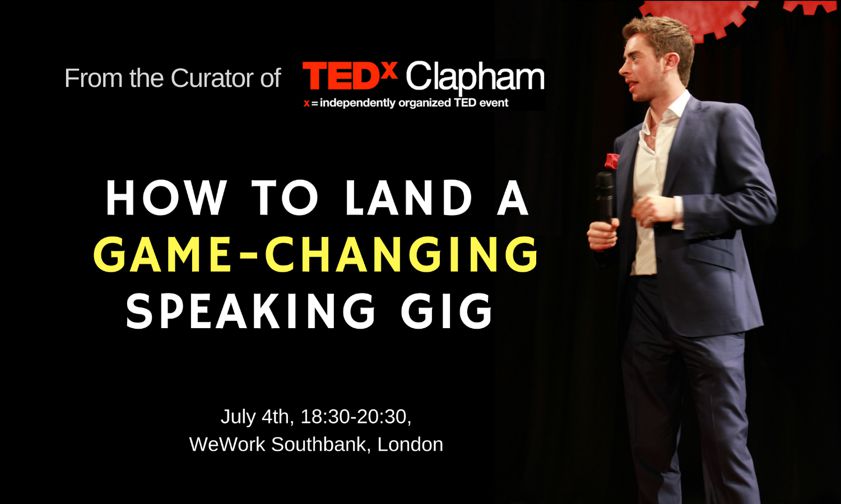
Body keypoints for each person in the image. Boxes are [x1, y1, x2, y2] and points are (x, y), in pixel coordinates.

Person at [586, 16, 777, 503]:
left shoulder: (723, 118)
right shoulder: (625, 142)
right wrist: (607, 241)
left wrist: (681, 209)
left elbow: (760, 202)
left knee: (724, 446)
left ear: (669, 61)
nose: (623, 69)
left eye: (634, 58)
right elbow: (631, 226)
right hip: (643, 307)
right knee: (649, 449)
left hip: (709, 307)